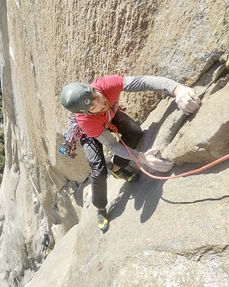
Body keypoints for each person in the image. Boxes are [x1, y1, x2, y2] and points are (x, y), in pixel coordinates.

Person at [59, 75, 201, 233]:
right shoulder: (86, 120)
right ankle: (100, 209)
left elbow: (143, 82)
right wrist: (141, 157)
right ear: (85, 111)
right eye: (93, 106)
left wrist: (178, 89)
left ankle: (118, 169)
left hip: (109, 115)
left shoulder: (105, 85)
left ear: (93, 89)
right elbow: (112, 144)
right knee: (98, 171)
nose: (100, 103)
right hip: (90, 132)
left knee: (134, 132)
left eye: (96, 96)